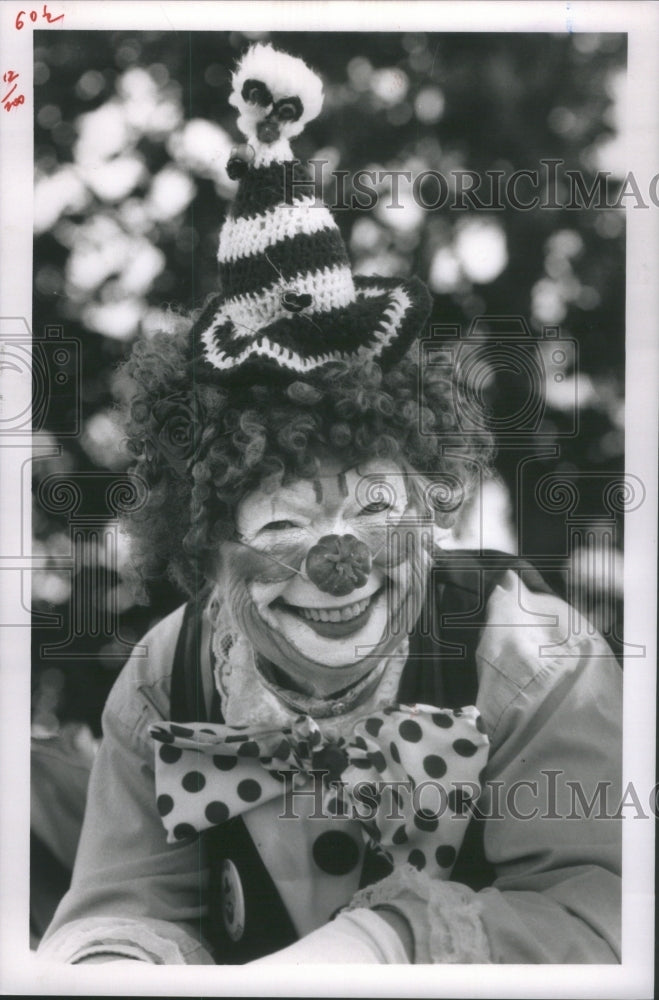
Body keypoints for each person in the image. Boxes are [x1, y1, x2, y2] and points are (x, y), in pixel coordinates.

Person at [37, 43, 621, 966]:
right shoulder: (163, 679)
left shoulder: (528, 657)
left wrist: (391, 944)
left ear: (428, 497)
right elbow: (122, 903)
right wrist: (114, 963)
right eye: (279, 523)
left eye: (375, 504)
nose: (337, 561)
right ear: (210, 544)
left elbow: (608, 916)